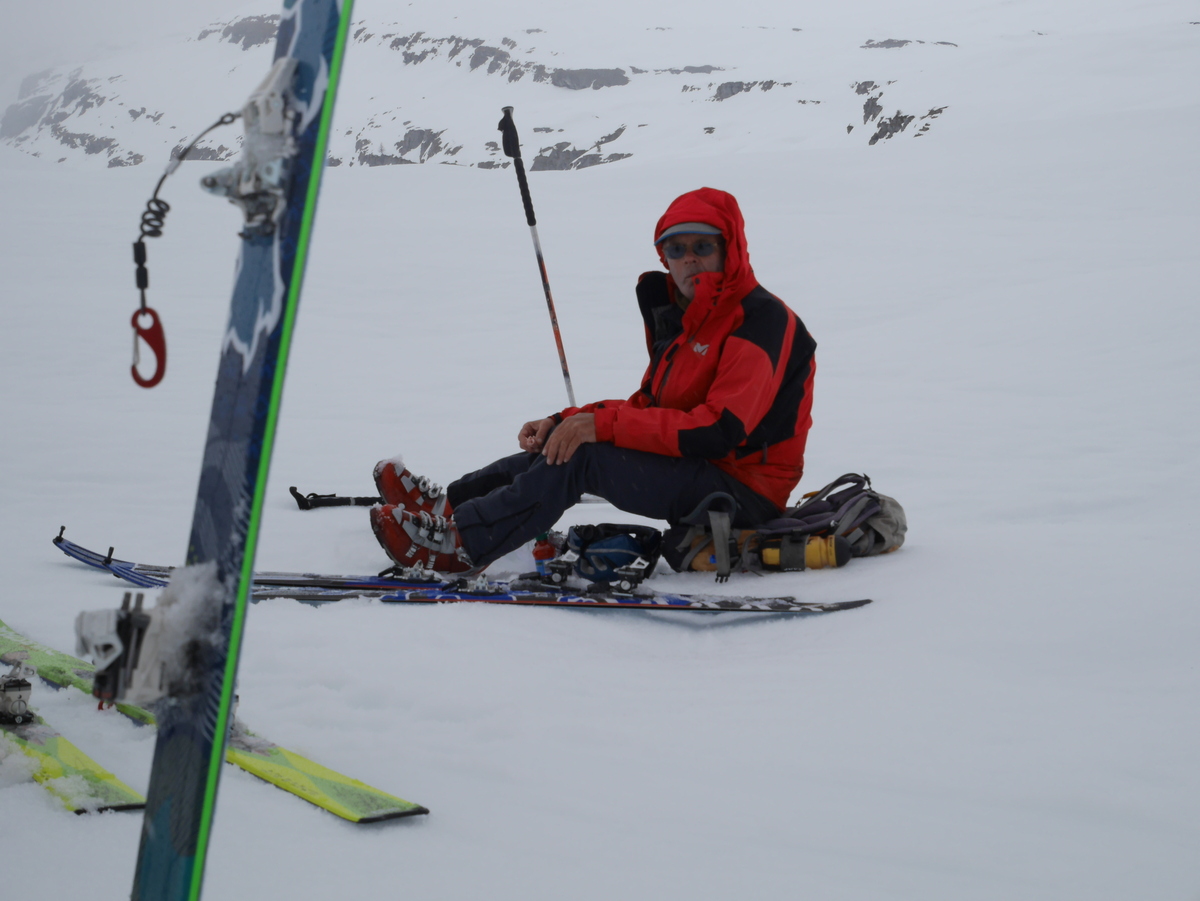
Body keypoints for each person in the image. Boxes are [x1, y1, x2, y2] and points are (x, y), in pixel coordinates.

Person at [369, 187, 817, 574]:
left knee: (582, 457)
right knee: (562, 442)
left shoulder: (761, 322)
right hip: (705, 467)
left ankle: (461, 546)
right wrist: (566, 419)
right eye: (675, 250)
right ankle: (448, 507)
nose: (689, 260)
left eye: (703, 245)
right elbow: (649, 408)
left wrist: (598, 428)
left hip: (744, 490)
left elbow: (719, 430)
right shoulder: (691, 320)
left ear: (729, 248)